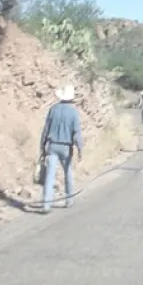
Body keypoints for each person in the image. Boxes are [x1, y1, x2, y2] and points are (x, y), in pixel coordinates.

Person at [39, 84, 83, 214]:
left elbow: (45, 129)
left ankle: (47, 204)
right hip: (65, 147)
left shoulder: (53, 109)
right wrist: (80, 149)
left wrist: (42, 146)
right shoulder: (73, 112)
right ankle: (69, 199)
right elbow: (77, 133)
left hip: (52, 145)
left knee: (50, 174)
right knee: (68, 173)